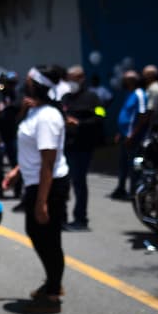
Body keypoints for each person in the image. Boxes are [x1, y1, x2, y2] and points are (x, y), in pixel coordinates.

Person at [5, 64, 71, 314]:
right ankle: (52, 282)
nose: (26, 82)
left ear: (38, 85)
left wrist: (42, 201)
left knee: (48, 238)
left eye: (30, 79)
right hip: (36, 181)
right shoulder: (36, 112)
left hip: (49, 185)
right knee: (37, 233)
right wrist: (16, 171)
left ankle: (53, 291)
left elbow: (48, 161)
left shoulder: (47, 118)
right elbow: (31, 152)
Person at [60, 65, 103, 231]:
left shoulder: (92, 97)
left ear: (82, 78)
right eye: (68, 78)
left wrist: (80, 124)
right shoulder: (65, 98)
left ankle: (81, 219)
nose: (70, 82)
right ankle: (63, 218)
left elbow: (100, 117)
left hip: (82, 146)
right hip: (66, 146)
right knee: (64, 182)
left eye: (74, 78)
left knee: (79, 182)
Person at [111, 70, 146, 199]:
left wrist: (132, 135)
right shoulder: (129, 94)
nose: (123, 82)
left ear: (132, 81)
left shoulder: (140, 94)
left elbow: (143, 117)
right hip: (124, 136)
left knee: (134, 166)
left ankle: (134, 192)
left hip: (134, 138)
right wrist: (120, 133)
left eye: (125, 79)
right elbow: (127, 115)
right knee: (123, 165)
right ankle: (121, 188)